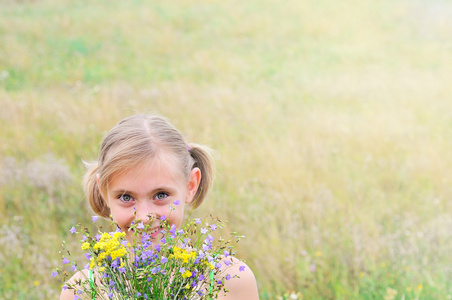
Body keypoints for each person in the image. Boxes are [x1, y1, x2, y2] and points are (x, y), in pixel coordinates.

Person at [60, 114, 259, 300]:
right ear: (104, 194)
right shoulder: (82, 290)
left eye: (161, 195)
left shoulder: (229, 280)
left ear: (190, 185)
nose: (145, 217)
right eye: (126, 197)